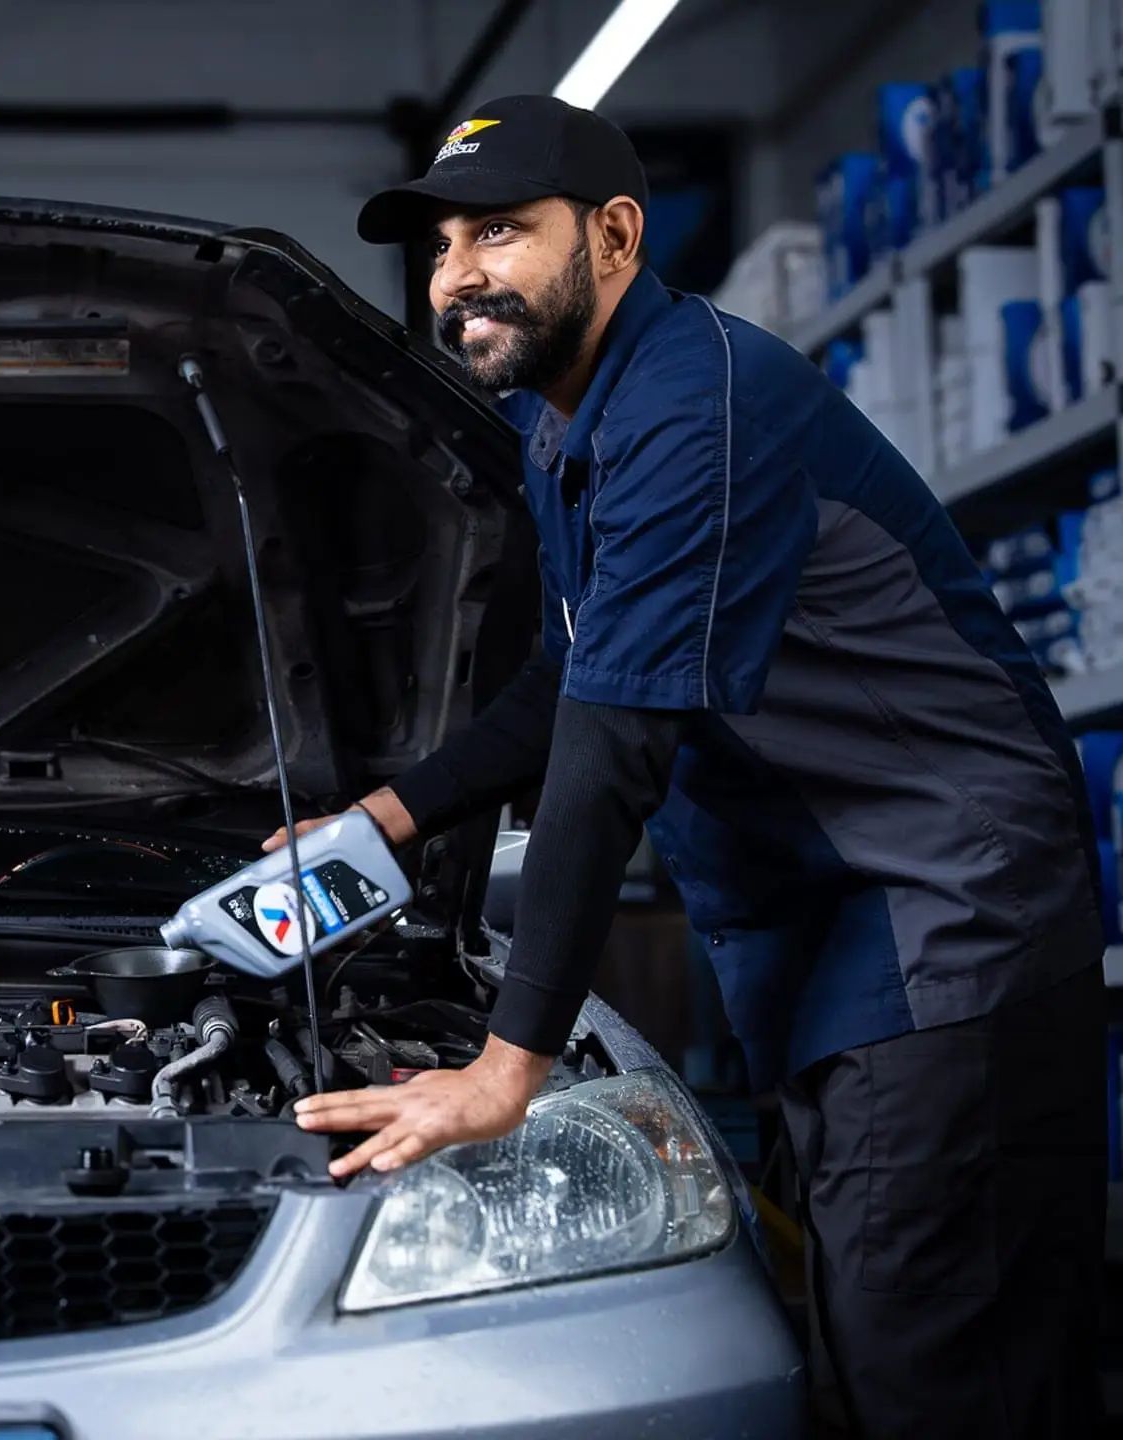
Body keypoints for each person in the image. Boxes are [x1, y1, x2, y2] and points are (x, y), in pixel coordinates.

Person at [275, 94, 1107, 1438]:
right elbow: (572, 675)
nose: (459, 276)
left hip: (944, 913)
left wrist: (506, 1067)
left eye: (500, 231)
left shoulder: (691, 407)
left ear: (613, 235)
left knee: (945, 1379)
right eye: (440, 246)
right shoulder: (568, 422)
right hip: (831, 928)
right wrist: (385, 811)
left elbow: (615, 748)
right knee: (865, 1344)